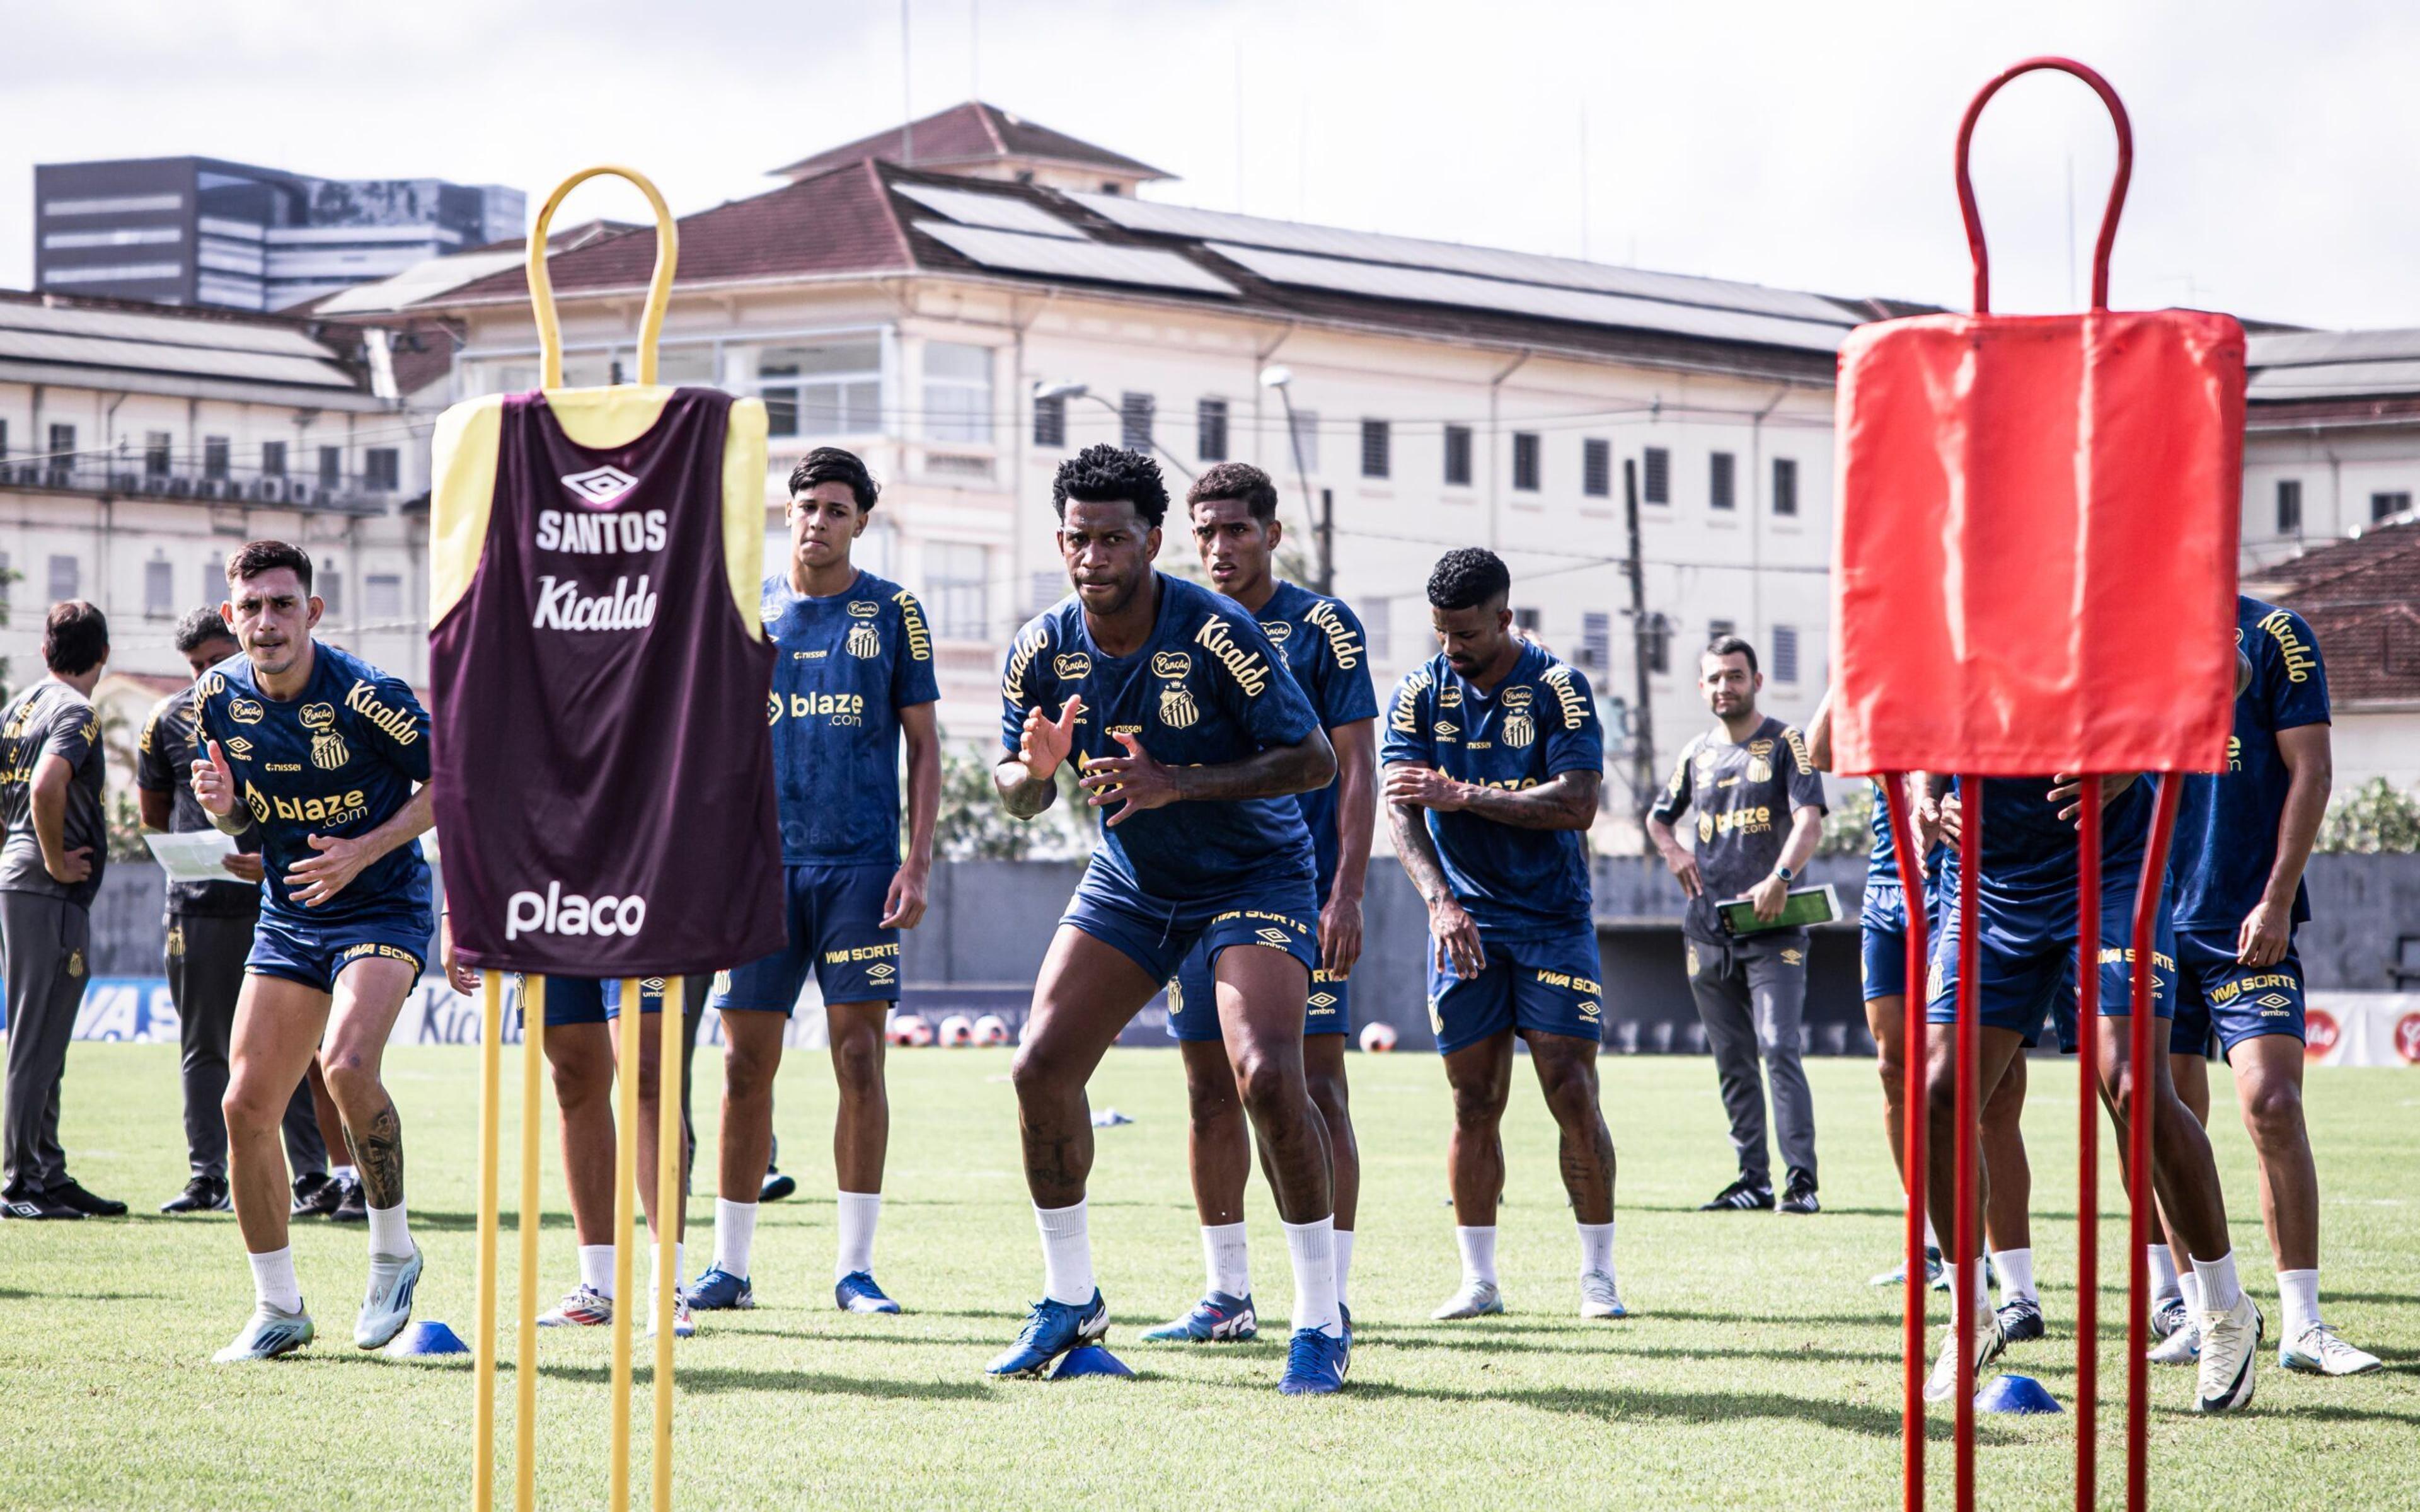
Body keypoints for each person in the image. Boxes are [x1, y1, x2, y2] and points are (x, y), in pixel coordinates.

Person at [989, 444, 1347, 1394]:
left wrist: (1175, 782)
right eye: (1077, 539)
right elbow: (1017, 794)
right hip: (1136, 878)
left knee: (1269, 1075)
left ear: (1153, 540)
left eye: (1112, 539)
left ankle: (1320, 1319)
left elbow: (1314, 760)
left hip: (1254, 872)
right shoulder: (1041, 647)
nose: (1093, 557)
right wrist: (1033, 773)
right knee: (1039, 1070)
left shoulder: (1220, 630)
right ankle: (1072, 1305)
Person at [1920, 769, 2261, 1413]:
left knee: (2134, 1086)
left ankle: (2224, 1309)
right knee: (1940, 1093)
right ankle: (1969, 1317)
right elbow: (1908, 713)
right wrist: (1926, 796)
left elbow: (2225, 671)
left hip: (2111, 867)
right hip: (1990, 881)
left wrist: (2136, 761)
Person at [695, 447, 940, 1317]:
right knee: (742, 1066)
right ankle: (728, 1266)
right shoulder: (747, 609)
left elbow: (925, 746)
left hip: (860, 869)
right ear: (786, 512)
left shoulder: (894, 614)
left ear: (861, 522)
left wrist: (916, 861)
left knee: (859, 1057)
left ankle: (855, 1269)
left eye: (838, 509)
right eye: (807, 506)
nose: (819, 522)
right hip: (759, 871)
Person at [1142, 462, 1376, 1345]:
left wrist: (1344, 891)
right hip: (1189, 897)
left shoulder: (1321, 627)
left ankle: (1332, 1293)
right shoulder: (1174, 622)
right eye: (1205, 532)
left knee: (1311, 1085)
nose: (1219, 547)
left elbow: (1358, 767)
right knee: (1208, 1090)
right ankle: (1226, 1295)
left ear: (1272, 535)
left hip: (1292, 897)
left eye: (1236, 530)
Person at [190, 540, 437, 1363]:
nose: (267, 622)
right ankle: (278, 1308)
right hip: (291, 911)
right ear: (232, 618)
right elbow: (244, 821)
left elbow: (456, 780)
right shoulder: (215, 698)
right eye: (251, 607)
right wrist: (226, 816)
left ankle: (394, 1253)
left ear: (312, 614)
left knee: (346, 1067)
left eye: (282, 605)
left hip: (382, 901)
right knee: (243, 1105)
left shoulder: (369, 694)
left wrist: (365, 849)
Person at [1381, 548, 1621, 1324]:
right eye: (1442, 633)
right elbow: (1401, 809)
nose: (1454, 648)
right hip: (1464, 924)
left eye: (1469, 634)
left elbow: (1578, 803)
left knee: (1571, 1090)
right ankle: (1479, 1281)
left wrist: (1466, 795)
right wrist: (1440, 903)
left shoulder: (1558, 687)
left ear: (1505, 619)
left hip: (1552, 920)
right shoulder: (1418, 692)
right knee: (1473, 1101)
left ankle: (1596, 1278)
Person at [2148, 597, 2380, 1377]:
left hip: (2250, 920)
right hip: (2148, 920)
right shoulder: (2124, 630)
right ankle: (2208, 1312)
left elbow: (2311, 769)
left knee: (2273, 1104)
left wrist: (2277, 898)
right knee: (2160, 1114)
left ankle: (2303, 1326)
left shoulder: (2277, 633)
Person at [1804, 697, 2030, 1330]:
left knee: (1984, 1088)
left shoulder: (1958, 674)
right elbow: (1820, 751)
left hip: (1959, 887)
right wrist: (1849, 660)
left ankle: (1997, 1262)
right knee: (1892, 1068)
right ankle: (1927, 1239)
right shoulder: (1887, 676)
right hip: (1888, 889)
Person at [139, 606, 331, 1217]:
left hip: (277, 902)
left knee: (292, 1048)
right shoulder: (166, 720)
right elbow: (152, 813)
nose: (204, 675)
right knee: (203, 1047)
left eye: (216, 662)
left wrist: (268, 858)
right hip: (197, 907)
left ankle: (311, 1177)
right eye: (195, 666)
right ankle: (206, 1178)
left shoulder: (283, 709)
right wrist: (193, 854)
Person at [439, 917, 706, 1336]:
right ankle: (599, 1288)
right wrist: (454, 914)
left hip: (637, 890)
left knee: (647, 1070)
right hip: (547, 900)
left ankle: (667, 1288)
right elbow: (469, 845)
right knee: (572, 1078)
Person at [1646, 638, 1827, 1214]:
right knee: (1732, 1059)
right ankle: (1753, 1180)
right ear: (1702, 688)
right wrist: (1673, 852)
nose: (1726, 686)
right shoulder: (1695, 753)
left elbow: (1810, 823)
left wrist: (1780, 875)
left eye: (1735, 676)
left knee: (1778, 1045)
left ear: (1757, 679)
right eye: (1715, 678)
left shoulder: (1785, 742)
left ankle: (1802, 1183)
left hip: (1772, 929)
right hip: (1705, 931)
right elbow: (1657, 817)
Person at [0, 601, 125, 1222]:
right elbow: (49, 785)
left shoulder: (19, 705)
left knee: (44, 1035)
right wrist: (50, 861)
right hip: (47, 891)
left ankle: (47, 1170)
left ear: (45, 652)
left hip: (21, 884)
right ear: (104, 655)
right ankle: (21, 1183)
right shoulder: (75, 711)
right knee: (33, 1038)